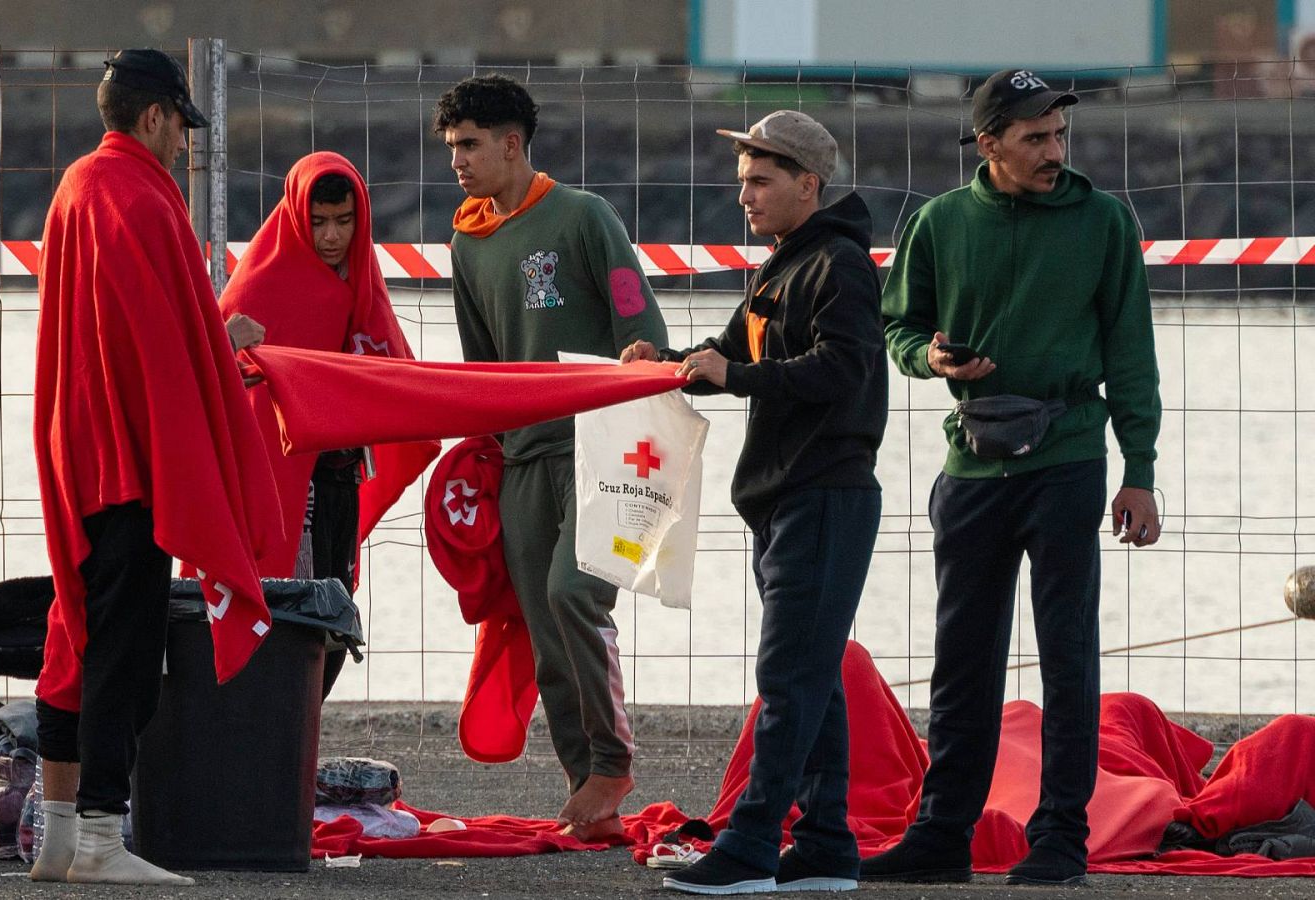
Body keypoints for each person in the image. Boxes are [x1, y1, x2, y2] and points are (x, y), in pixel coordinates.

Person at [864, 68, 1162, 888]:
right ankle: (942, 836)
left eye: (1058, 135)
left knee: (1069, 656)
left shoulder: (1103, 220)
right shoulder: (939, 222)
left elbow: (1133, 354)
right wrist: (930, 357)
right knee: (963, 656)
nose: (1053, 152)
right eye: (1034, 138)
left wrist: (1139, 471)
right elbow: (899, 326)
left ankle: (1062, 836)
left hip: (1069, 458)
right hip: (973, 462)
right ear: (987, 143)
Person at [29, 47, 280, 886]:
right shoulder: (145, 197)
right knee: (125, 651)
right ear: (154, 117)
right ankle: (101, 837)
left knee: (80, 629)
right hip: (131, 455)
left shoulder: (76, 187)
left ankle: (60, 837)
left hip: (76, 444)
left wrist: (209, 331)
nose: (183, 145)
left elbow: (125, 324)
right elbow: (165, 344)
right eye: (180, 127)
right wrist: (225, 339)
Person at [621, 111, 888, 894]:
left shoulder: (838, 264)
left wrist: (731, 377)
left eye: (763, 180)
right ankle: (828, 845)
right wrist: (663, 362)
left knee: (789, 677)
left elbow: (842, 369)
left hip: (825, 496)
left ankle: (751, 844)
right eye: (742, 182)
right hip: (784, 501)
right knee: (814, 676)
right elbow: (732, 353)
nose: (746, 196)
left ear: (809, 184)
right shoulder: (781, 267)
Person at [435, 73, 668, 840]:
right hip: (524, 460)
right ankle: (587, 790)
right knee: (543, 629)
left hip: (608, 442)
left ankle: (611, 761)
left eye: (470, 145)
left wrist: (645, 358)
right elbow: (481, 370)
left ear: (512, 143)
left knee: (576, 594)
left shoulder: (584, 216)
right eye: (451, 147)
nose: (458, 161)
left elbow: (645, 323)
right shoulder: (467, 243)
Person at [218, 151, 439, 698]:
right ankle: (266, 723)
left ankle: (298, 732)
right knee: (284, 607)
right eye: (318, 222)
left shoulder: (363, 279)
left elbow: (391, 374)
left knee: (333, 608)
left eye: (344, 221)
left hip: (340, 476)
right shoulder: (260, 282)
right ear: (297, 215)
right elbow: (223, 377)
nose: (332, 236)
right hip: (278, 482)